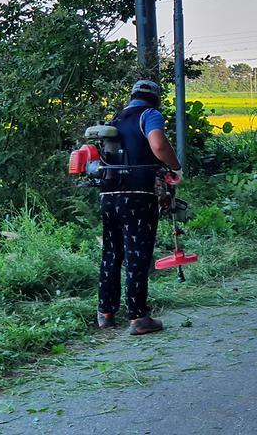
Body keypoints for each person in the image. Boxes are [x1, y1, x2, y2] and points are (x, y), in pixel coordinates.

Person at [97, 79, 182, 335]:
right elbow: (158, 145)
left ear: (132, 96)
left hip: (108, 193)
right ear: (155, 98)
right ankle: (138, 318)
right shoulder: (150, 114)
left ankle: (105, 313)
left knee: (112, 252)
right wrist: (175, 167)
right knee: (137, 253)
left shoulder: (115, 119)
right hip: (137, 193)